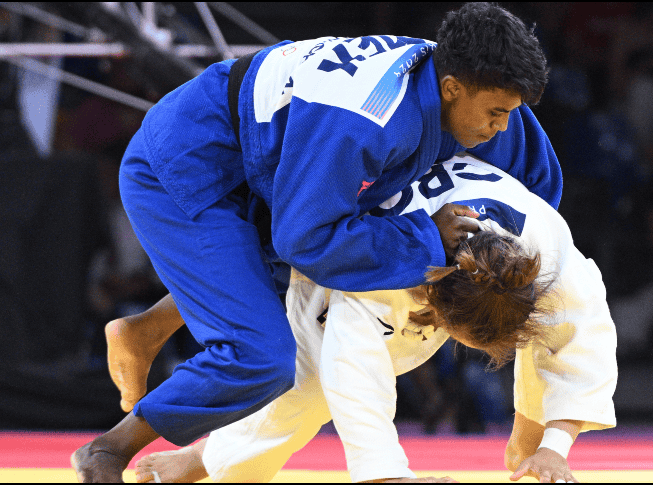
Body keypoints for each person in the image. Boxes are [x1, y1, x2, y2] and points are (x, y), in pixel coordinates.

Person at [71, 3, 563, 482]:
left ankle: (147, 328)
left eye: (510, 113)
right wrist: (426, 238)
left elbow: (536, 194)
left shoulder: (476, 86)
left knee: (350, 250)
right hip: (189, 164)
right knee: (261, 356)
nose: (501, 126)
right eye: (496, 114)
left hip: (272, 163)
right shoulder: (367, 121)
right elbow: (306, 242)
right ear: (452, 89)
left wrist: (503, 264)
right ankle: (108, 449)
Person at [110, 154, 616, 483]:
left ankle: (531, 456)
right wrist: (386, 474)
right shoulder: (390, 260)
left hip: (452, 228)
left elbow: (580, 341)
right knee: (308, 385)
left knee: (556, 330)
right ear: (429, 297)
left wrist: (552, 446)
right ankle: (199, 457)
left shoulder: (549, 256)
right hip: (337, 230)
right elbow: (354, 371)